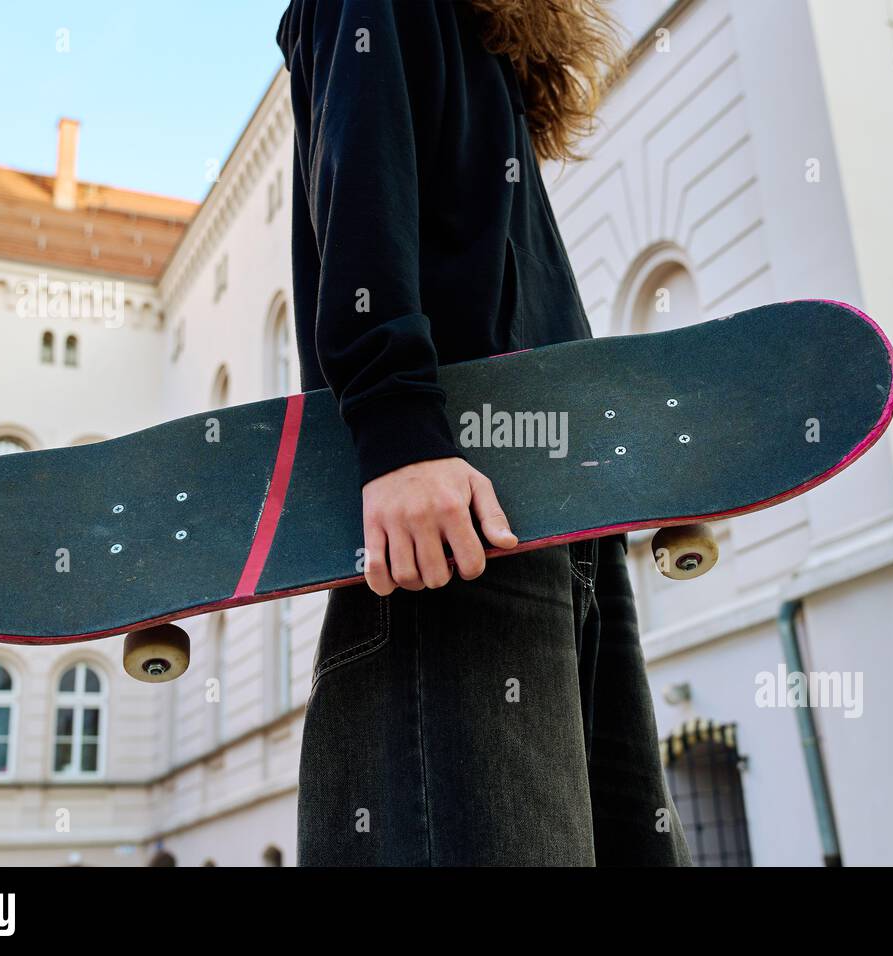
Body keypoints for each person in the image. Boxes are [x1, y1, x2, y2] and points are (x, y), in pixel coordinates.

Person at [276, 0, 690, 866]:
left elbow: (538, 301)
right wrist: (399, 432)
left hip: (569, 524)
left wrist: (632, 472)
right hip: (451, 513)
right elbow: (360, 186)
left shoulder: (486, 47)